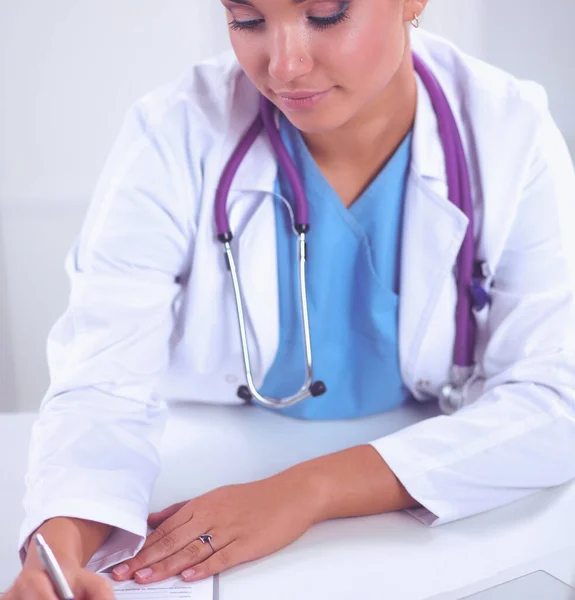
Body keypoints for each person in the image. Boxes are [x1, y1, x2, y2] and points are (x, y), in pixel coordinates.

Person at [7, 0, 575, 596]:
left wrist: (308, 491)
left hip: (421, 517)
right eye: (246, 20)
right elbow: (102, 382)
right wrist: (57, 555)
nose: (283, 65)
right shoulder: (174, 131)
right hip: (212, 461)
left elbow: (557, 398)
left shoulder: (507, 131)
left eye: (326, 14)